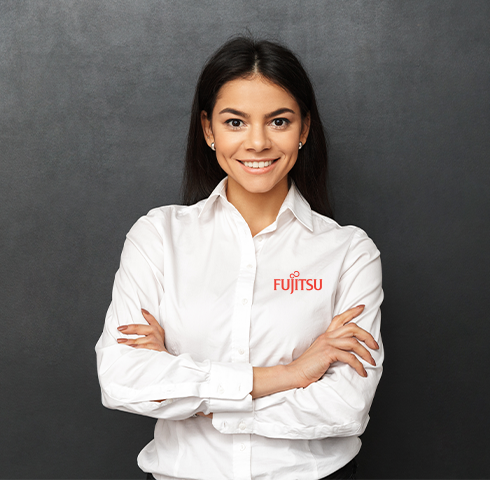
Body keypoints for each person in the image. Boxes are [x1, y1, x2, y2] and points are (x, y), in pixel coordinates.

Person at [95, 36, 383, 480]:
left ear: (304, 129)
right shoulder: (158, 236)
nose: (257, 142)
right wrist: (290, 374)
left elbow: (344, 407)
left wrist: (197, 400)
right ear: (208, 130)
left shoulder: (349, 252)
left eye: (279, 121)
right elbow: (122, 378)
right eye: (235, 122)